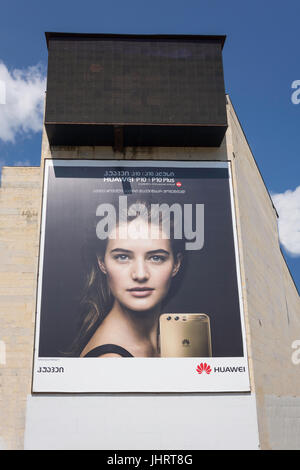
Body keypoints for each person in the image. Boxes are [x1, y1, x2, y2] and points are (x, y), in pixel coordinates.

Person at [70, 198, 185, 358]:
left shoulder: (168, 343)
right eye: (123, 257)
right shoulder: (110, 360)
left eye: (156, 258)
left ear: (176, 264)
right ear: (102, 262)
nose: (140, 274)